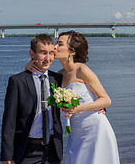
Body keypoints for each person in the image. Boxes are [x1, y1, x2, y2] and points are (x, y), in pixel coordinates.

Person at [28, 31, 120, 164]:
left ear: (72, 51)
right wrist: (29, 65)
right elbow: (39, 74)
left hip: (95, 128)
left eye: (59, 44)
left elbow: (106, 99)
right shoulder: (59, 75)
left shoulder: (82, 70)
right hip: (76, 132)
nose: (54, 47)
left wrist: (79, 108)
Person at [0, 34, 63, 164]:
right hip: (27, 151)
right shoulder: (18, 82)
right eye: (43, 53)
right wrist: (6, 156)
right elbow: (9, 121)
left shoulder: (58, 79)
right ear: (32, 53)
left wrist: (101, 106)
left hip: (53, 150)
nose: (48, 58)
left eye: (51, 53)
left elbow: (79, 84)